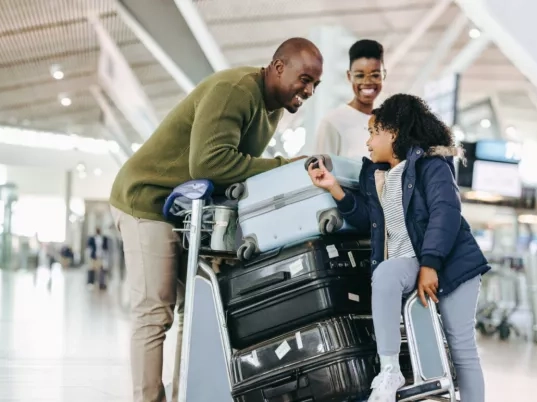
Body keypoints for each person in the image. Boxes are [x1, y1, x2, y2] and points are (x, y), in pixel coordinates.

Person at [109, 37, 323, 402]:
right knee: (155, 311)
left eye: (315, 84)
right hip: (147, 199)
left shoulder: (270, 108)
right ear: (278, 67)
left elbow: (230, 173)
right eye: (304, 79)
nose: (309, 90)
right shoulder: (235, 90)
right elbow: (209, 164)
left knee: (193, 312)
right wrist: (284, 167)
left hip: (183, 210)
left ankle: (184, 395)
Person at [307, 93, 489, 402]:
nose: (368, 142)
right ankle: (389, 370)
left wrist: (430, 265)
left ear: (393, 133)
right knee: (387, 273)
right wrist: (333, 187)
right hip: (410, 262)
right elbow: (368, 219)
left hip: (454, 265)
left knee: (461, 347)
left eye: (373, 133)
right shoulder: (376, 175)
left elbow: (446, 212)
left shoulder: (432, 165)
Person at [313, 39, 385, 159]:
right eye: (359, 76)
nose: (367, 82)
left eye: (375, 75)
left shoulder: (388, 122)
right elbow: (319, 173)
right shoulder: (332, 123)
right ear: (349, 76)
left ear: (383, 75)